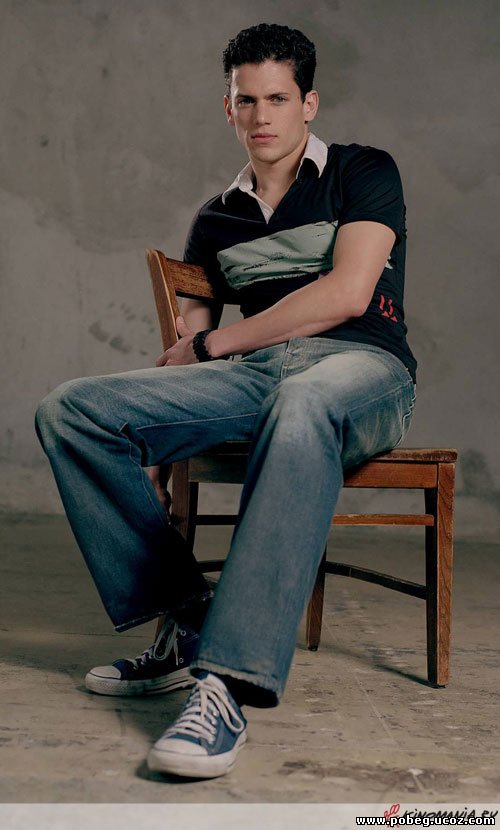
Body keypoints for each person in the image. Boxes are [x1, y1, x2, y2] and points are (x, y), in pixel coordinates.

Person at [35, 22, 417, 780]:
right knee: (71, 410)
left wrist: (213, 345)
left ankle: (227, 683)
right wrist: (155, 425)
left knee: (300, 403)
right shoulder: (216, 219)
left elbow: (346, 292)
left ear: (308, 104)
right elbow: (190, 343)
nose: (262, 115)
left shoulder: (362, 170)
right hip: (255, 372)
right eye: (248, 101)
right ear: (229, 107)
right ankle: (189, 621)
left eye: (279, 98)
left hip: (362, 367)